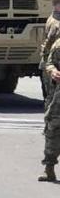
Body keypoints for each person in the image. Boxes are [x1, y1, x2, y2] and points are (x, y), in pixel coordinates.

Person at [40, 34, 60, 182]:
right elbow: (49, 62)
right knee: (52, 128)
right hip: (58, 97)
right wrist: (53, 71)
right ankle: (49, 168)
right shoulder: (58, 45)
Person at [39, 0, 60, 99]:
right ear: (56, 6)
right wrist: (50, 67)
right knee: (51, 98)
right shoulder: (55, 23)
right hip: (53, 64)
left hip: (51, 63)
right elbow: (49, 44)